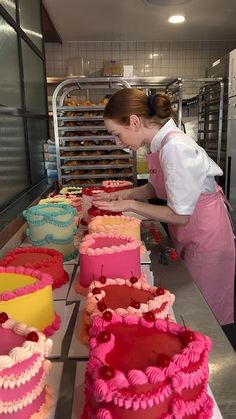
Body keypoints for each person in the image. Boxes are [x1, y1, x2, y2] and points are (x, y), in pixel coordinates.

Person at [93, 88, 235, 326]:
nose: (118, 142)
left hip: (206, 237)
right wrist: (122, 194)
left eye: (116, 134)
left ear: (134, 122)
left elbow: (180, 215)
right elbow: (156, 188)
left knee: (204, 314)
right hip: (192, 231)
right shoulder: (157, 145)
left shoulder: (175, 147)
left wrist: (130, 204)